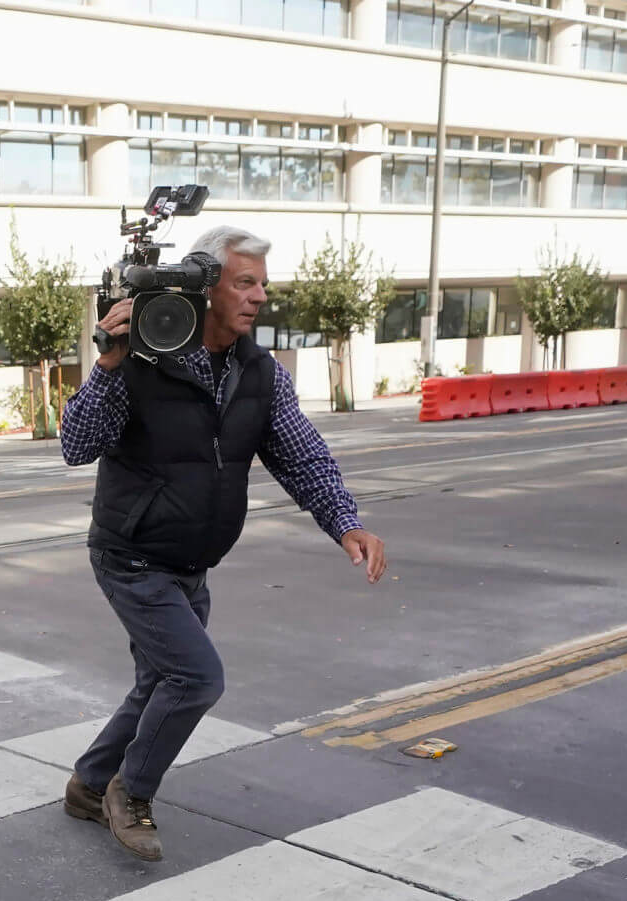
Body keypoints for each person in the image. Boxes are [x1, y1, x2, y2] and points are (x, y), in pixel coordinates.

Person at [58, 225, 388, 860]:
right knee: (195, 676)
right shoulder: (141, 362)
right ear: (204, 288)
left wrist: (346, 522)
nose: (261, 296)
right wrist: (107, 359)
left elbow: (302, 457)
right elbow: (77, 444)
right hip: (131, 555)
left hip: (191, 562)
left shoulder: (258, 372)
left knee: (159, 680)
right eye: (245, 282)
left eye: (263, 282)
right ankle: (131, 793)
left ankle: (89, 782)